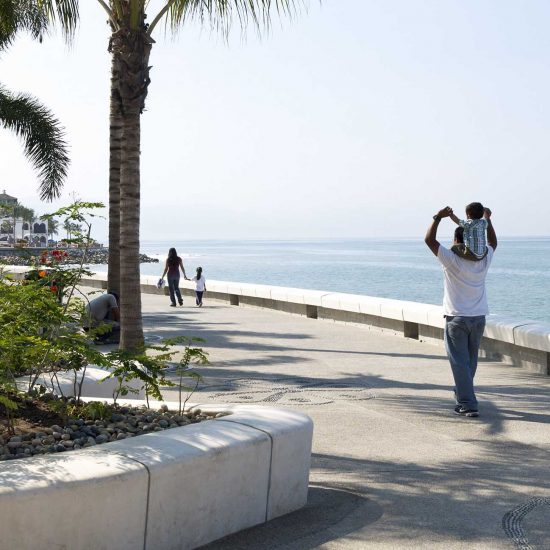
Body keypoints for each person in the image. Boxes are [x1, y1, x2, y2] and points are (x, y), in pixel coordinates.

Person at [424, 206, 497, 417]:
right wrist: (487, 220)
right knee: (470, 362)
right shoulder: (483, 259)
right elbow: (493, 243)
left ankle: (468, 404)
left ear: (458, 241)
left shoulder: (452, 259)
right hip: (478, 318)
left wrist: (438, 217)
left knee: (459, 363)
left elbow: (430, 240)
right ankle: (462, 395)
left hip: (456, 318)